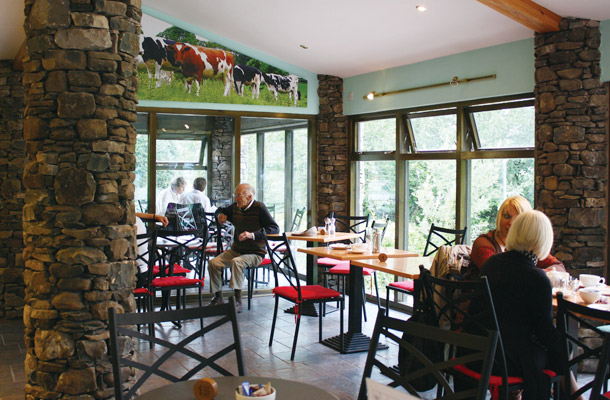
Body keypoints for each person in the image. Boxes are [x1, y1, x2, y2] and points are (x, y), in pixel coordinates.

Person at [479, 210, 581, 400]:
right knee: (559, 350)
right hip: (506, 359)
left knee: (556, 349)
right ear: (543, 240)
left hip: (481, 351)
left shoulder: (491, 264)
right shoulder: (536, 277)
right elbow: (544, 330)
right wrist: (565, 348)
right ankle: (576, 396)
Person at [208, 183, 279, 312]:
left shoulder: (259, 208)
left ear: (249, 196)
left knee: (237, 262)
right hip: (237, 250)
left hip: (256, 253)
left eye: (239, 196)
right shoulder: (235, 207)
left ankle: (238, 300)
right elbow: (220, 210)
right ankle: (218, 297)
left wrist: (252, 235)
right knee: (213, 263)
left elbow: (274, 228)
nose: (236, 199)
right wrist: (219, 215)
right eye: (235, 195)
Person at [466, 195, 565, 280]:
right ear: (499, 217)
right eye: (507, 216)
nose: (511, 223)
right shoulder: (483, 243)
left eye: (519, 219)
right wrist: (537, 275)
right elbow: (498, 274)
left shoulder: (527, 246)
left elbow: (558, 267)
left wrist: (541, 273)